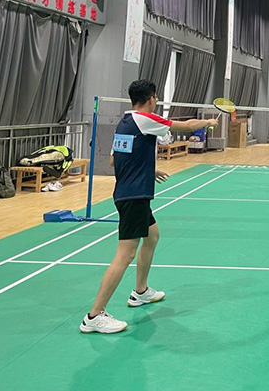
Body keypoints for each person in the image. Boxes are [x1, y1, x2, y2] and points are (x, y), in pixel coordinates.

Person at [80, 80, 220, 334]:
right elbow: (187, 125)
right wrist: (209, 122)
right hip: (133, 196)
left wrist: (147, 169)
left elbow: (113, 160)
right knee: (125, 254)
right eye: (155, 98)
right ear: (152, 99)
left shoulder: (125, 123)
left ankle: (140, 291)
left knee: (152, 236)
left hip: (130, 192)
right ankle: (94, 316)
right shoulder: (145, 119)